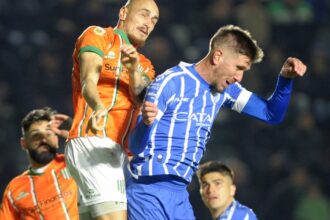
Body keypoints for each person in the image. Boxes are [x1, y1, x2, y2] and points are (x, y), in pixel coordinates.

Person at [127, 24, 307, 220]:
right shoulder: (171, 82)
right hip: (148, 191)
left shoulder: (227, 90)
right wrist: (145, 123)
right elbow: (135, 147)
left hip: (180, 195)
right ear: (217, 56)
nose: (239, 77)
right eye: (238, 68)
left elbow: (271, 114)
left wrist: (285, 80)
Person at [65, 0, 159, 219]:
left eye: (154, 20)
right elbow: (89, 80)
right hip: (94, 140)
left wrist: (133, 69)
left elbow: (139, 98)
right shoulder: (98, 35)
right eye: (144, 15)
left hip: (119, 154)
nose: (149, 24)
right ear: (123, 12)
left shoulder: (145, 64)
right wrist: (98, 106)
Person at [0, 107, 78, 220]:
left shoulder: (74, 163)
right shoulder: (14, 189)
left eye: (48, 133)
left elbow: (107, 159)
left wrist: (74, 132)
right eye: (36, 135)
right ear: (24, 143)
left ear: (56, 139)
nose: (43, 139)